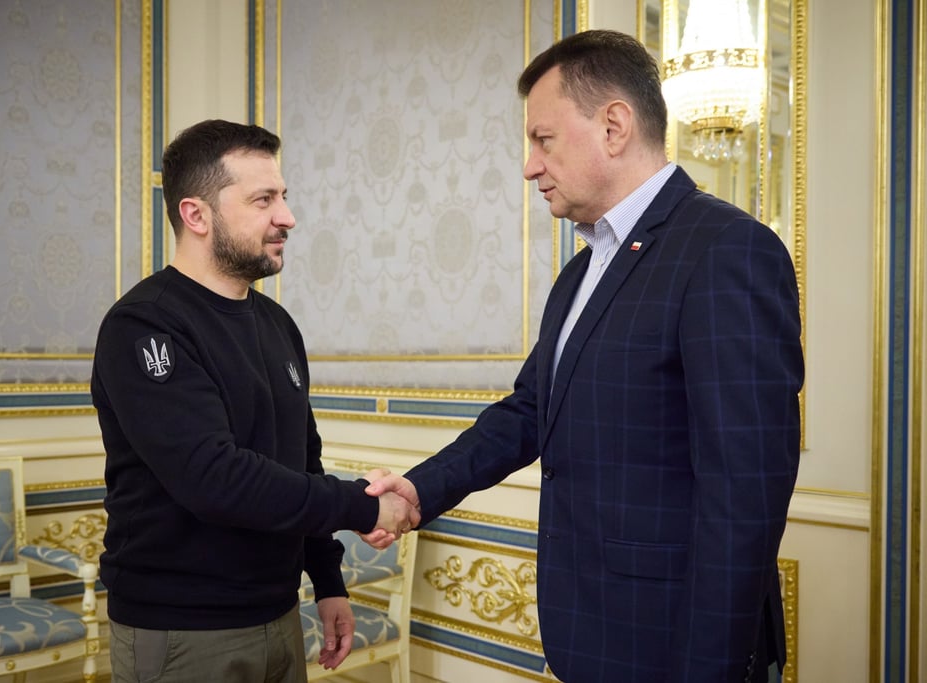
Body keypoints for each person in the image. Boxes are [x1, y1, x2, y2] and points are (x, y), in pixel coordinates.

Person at [363, 29, 803, 683]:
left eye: (543, 139)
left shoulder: (726, 250)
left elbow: (745, 496)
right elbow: (529, 411)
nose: (529, 165)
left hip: (677, 647)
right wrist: (422, 488)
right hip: (593, 634)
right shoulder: (581, 271)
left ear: (614, 126)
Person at [90, 119, 419, 683]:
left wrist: (328, 581)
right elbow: (214, 479)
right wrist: (365, 507)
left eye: (283, 197)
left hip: (279, 613)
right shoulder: (144, 325)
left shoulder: (276, 323)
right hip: (182, 631)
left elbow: (300, 462)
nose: (286, 216)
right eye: (263, 199)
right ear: (196, 215)